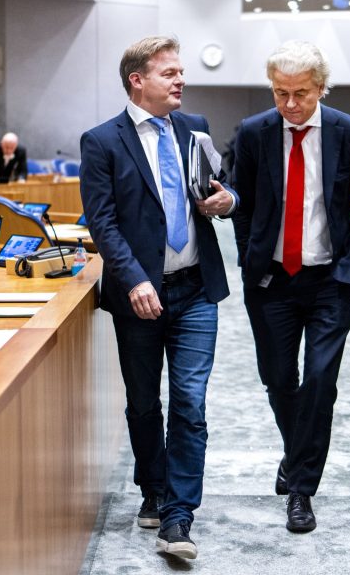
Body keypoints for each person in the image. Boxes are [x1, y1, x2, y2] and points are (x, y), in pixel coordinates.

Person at [79, 35, 237, 561]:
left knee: (190, 402)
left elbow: (220, 186)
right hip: (139, 297)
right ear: (137, 80)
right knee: (144, 402)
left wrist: (226, 200)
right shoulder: (102, 141)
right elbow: (103, 223)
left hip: (195, 288)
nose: (181, 80)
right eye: (169, 72)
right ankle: (153, 486)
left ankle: (178, 516)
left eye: (181, 71)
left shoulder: (195, 129)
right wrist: (134, 279)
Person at [231, 40, 350, 535]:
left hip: (330, 279)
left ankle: (301, 489)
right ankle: (296, 453)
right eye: (280, 93)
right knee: (279, 379)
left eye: (300, 93)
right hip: (272, 280)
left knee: (320, 380)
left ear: (321, 88)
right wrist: (249, 256)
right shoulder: (254, 132)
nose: (290, 104)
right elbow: (242, 204)